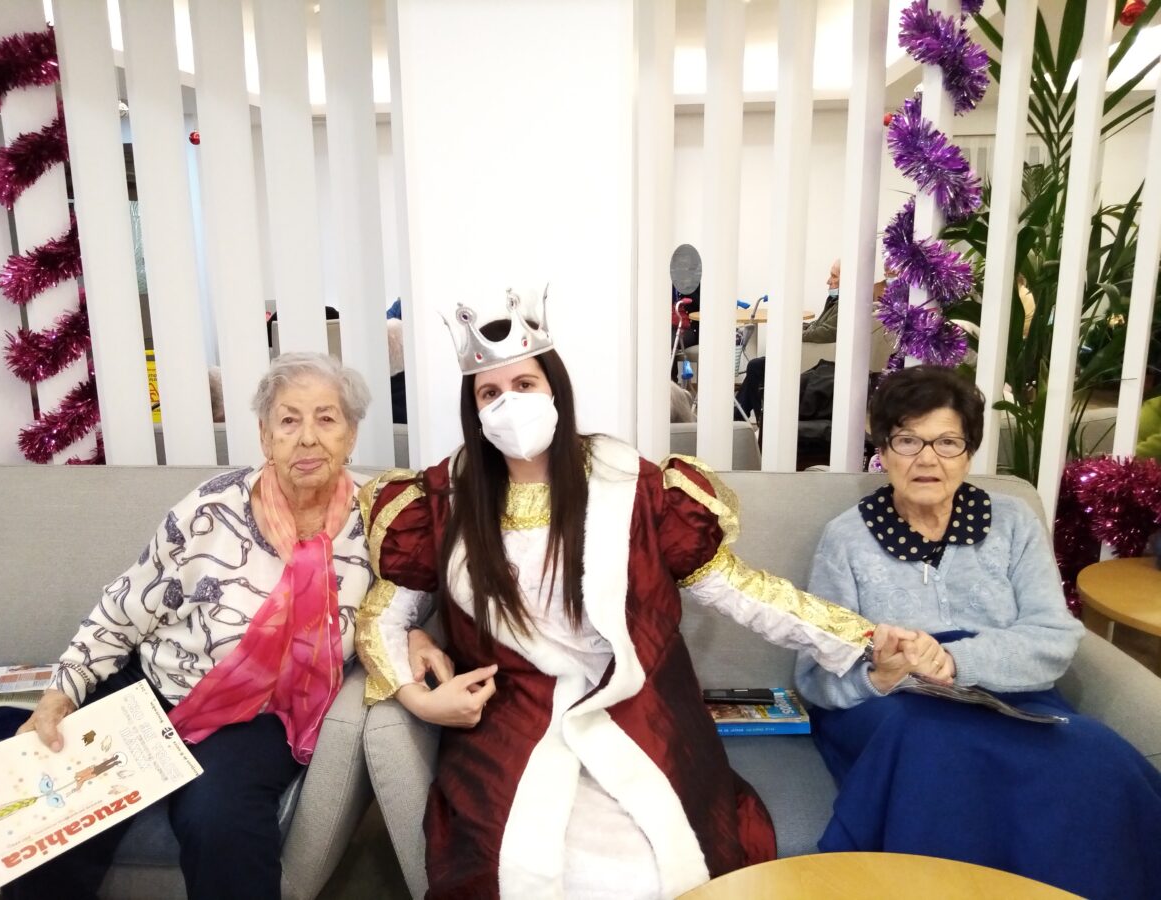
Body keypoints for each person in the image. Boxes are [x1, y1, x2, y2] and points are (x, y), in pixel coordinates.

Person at [355, 287, 919, 899]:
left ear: (555, 390)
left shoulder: (633, 486)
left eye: (524, 384)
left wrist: (861, 638)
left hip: (639, 704)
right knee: (519, 864)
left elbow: (740, 591)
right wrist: (420, 700)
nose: (509, 404)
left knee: (655, 864)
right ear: (474, 411)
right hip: (511, 717)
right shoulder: (443, 500)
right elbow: (383, 615)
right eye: (490, 394)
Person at [8, 353, 374, 900]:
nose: (307, 438)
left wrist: (415, 636)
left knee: (219, 822)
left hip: (261, 715)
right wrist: (60, 695)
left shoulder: (378, 519)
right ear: (264, 435)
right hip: (156, 688)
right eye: (288, 419)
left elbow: (406, 603)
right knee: (55, 813)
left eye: (326, 418)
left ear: (351, 434)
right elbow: (121, 610)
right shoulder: (210, 508)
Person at [794, 365, 1161, 900]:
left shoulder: (1012, 523)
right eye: (908, 440)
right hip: (896, 710)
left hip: (1009, 696)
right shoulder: (846, 538)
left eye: (947, 442)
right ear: (883, 451)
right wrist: (878, 675)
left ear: (969, 452)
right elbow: (813, 672)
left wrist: (955, 659)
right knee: (930, 748)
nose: (927, 459)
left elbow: (1053, 635)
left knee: (1098, 756)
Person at [734, 259, 841, 421]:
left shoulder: (843, 306)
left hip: (809, 361)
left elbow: (825, 332)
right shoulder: (835, 302)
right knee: (756, 366)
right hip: (808, 356)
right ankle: (739, 416)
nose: (828, 281)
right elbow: (818, 326)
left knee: (755, 367)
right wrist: (800, 327)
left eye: (834, 276)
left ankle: (755, 420)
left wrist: (795, 334)